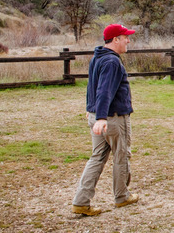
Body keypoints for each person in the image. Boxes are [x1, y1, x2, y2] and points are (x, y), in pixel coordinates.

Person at [72, 24, 139, 216]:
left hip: (98, 117)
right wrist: (101, 117)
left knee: (97, 157)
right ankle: (122, 196)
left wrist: (91, 110)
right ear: (115, 39)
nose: (128, 40)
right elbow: (104, 90)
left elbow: (92, 86)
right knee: (121, 155)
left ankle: (81, 201)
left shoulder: (98, 57)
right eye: (125, 37)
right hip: (112, 118)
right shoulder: (111, 62)